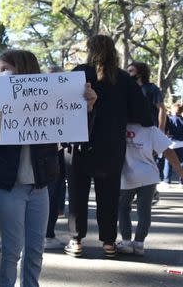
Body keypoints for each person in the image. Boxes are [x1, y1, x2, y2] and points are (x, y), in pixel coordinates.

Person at [0, 50, 96, 287]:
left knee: (35, 248)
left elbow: (75, 133)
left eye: (7, 70)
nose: (1, 76)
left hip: (40, 186)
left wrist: (88, 107)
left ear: (24, 72)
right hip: (9, 185)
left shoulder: (50, 101)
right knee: (11, 248)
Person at [64, 36, 152, 259]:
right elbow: (144, 115)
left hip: (79, 143)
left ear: (89, 50)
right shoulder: (123, 79)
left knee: (77, 192)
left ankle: (76, 240)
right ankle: (109, 243)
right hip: (111, 145)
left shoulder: (79, 73)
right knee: (109, 194)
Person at [118, 122, 183, 255]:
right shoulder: (151, 130)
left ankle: (126, 242)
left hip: (126, 175)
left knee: (123, 208)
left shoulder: (120, 126)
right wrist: (180, 170)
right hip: (149, 174)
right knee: (144, 210)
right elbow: (168, 151)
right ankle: (139, 243)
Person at [45, 64, 68, 250]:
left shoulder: (68, 97)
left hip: (59, 150)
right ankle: (46, 233)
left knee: (55, 192)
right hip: (47, 151)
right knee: (50, 193)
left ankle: (48, 232)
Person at [128, 61, 166, 130]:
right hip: (132, 131)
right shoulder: (129, 90)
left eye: (131, 71)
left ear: (139, 74)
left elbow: (161, 108)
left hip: (149, 130)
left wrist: (161, 130)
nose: (128, 74)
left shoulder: (152, 88)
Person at [163, 103, 183, 187]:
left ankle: (167, 181)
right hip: (182, 144)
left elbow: (165, 130)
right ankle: (182, 182)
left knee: (168, 162)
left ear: (172, 110)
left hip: (171, 143)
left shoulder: (169, 120)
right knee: (182, 163)